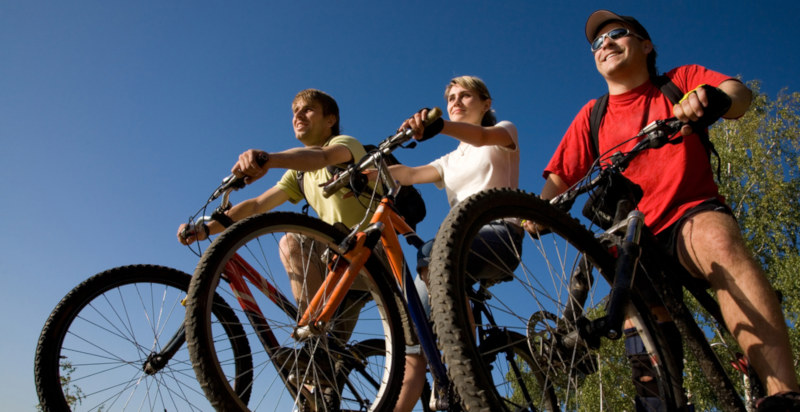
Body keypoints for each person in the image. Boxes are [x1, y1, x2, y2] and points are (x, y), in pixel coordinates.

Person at [540, 10, 800, 410]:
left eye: (617, 34)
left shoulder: (677, 82)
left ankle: (784, 395)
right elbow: (558, 179)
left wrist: (713, 98)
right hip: (632, 239)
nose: (605, 44)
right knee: (636, 318)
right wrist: (533, 213)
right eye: (597, 42)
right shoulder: (593, 115)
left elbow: (739, 95)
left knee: (717, 239)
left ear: (646, 46)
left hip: (688, 214)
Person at [386, 75, 520, 412]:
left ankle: (464, 375)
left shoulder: (503, 132)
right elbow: (409, 174)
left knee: (434, 251)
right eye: (450, 98)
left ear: (485, 103)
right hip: (452, 247)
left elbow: (481, 135)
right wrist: (366, 171)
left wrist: (439, 125)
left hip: (499, 236)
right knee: (411, 318)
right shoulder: (448, 161)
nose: (456, 102)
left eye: (466, 96)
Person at [177, 88, 375, 314]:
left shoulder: (345, 143)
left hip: (374, 253)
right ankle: (314, 336)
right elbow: (258, 205)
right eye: (295, 111)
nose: (298, 116)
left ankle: (310, 327)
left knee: (293, 242)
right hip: (338, 261)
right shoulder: (299, 174)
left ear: (330, 119)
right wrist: (205, 229)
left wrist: (267, 159)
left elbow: (323, 157)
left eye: (308, 110)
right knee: (330, 346)